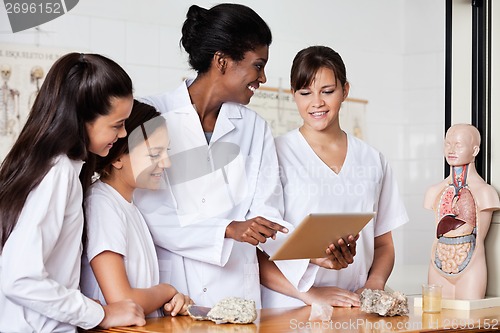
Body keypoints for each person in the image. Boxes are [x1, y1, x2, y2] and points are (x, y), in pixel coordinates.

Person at [134, 4, 345, 309]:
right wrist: (229, 229)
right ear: (222, 61)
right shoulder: (153, 115)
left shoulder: (254, 127)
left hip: (238, 290)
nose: (263, 77)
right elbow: (149, 213)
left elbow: (268, 209)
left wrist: (311, 251)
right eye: (257, 65)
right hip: (175, 291)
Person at [0, 53, 146, 332]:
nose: (124, 133)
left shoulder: (48, 165)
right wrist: (98, 313)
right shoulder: (58, 172)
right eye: (117, 124)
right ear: (80, 119)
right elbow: (20, 279)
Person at [259, 45, 409, 308]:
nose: (316, 102)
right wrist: (311, 294)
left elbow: (383, 244)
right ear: (293, 95)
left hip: (354, 306)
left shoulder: (372, 160)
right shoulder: (274, 155)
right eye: (305, 93)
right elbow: (253, 253)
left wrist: (373, 286)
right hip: (291, 308)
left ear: (345, 91)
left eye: (327, 91)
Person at [81, 100, 193, 317]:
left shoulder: (128, 207)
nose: (167, 163)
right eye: (154, 154)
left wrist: (171, 301)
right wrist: (167, 290)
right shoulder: (102, 204)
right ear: (117, 158)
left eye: (166, 151)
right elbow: (122, 300)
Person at [424, 123, 500, 299]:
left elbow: (479, 238)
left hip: (472, 264)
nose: (451, 149)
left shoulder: (485, 192)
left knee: (469, 323)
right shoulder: (434, 191)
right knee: (437, 320)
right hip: (438, 262)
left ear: (475, 150)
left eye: (458, 144)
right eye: (447, 144)